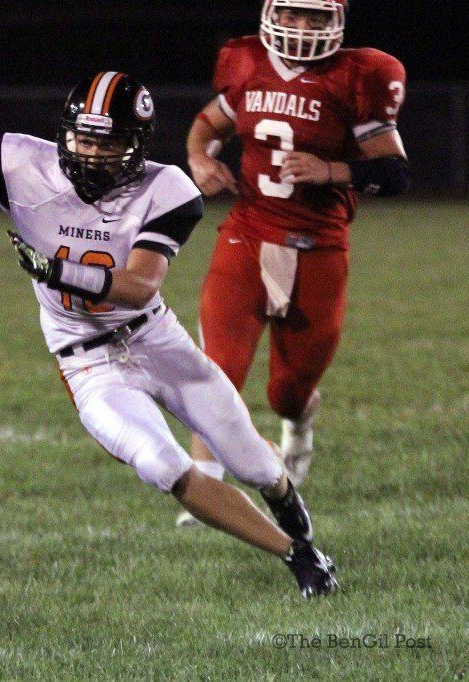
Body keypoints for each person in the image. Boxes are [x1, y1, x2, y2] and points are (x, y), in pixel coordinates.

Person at [0, 71, 338, 598]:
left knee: (255, 463)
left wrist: (56, 269)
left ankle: (301, 530)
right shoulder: (18, 160)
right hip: (85, 360)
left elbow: (138, 285)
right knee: (163, 464)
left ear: (135, 145)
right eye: (82, 138)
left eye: (105, 143)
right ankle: (298, 557)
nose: (88, 153)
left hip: (156, 340)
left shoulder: (168, 188)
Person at [178, 0, 409, 527]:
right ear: (270, 13)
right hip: (247, 232)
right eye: (293, 14)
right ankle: (205, 485)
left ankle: (300, 424)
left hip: (319, 248)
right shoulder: (244, 60)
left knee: (287, 392)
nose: (302, 28)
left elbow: (395, 174)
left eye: (316, 19)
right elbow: (208, 123)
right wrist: (199, 157)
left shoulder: (362, 74)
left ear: (337, 22)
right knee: (217, 367)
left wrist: (331, 170)